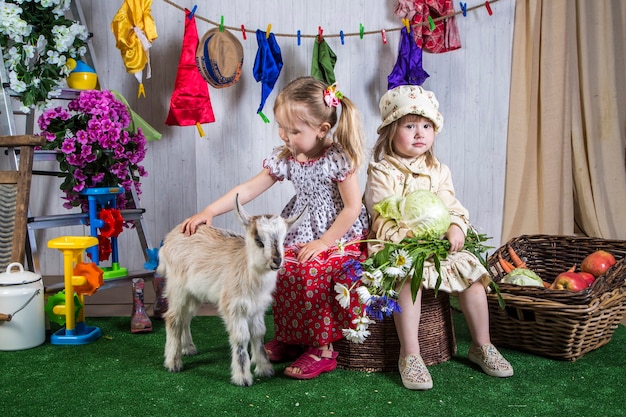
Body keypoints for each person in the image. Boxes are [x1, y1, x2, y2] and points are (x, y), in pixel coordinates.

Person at [181, 76, 369, 380]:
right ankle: (291, 338)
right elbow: (250, 188)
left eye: (294, 130)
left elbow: (352, 208)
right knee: (279, 267)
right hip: (301, 227)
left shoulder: (337, 158)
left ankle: (322, 348)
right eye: (281, 127)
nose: (284, 135)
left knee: (312, 272)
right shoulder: (287, 156)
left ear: (322, 129)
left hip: (338, 232)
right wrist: (210, 210)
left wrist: (324, 243)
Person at [364, 85, 513, 390]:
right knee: (407, 279)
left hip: (439, 245)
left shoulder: (438, 170)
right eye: (409, 125)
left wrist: (456, 227)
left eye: (426, 126)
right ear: (390, 131)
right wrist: (410, 238)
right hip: (399, 246)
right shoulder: (381, 171)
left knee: (472, 272)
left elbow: (450, 205)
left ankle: (481, 344)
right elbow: (381, 216)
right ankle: (410, 354)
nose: (419, 133)